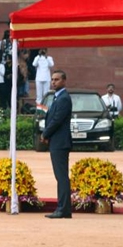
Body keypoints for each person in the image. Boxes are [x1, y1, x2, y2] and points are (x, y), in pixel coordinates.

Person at [41, 70, 73, 219]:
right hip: (57, 141)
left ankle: (63, 209)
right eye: (52, 79)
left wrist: (45, 134)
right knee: (60, 176)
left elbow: (57, 120)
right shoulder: (57, 97)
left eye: (57, 79)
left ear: (64, 81)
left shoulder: (64, 98)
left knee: (61, 177)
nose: (53, 82)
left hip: (60, 142)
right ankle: (63, 208)